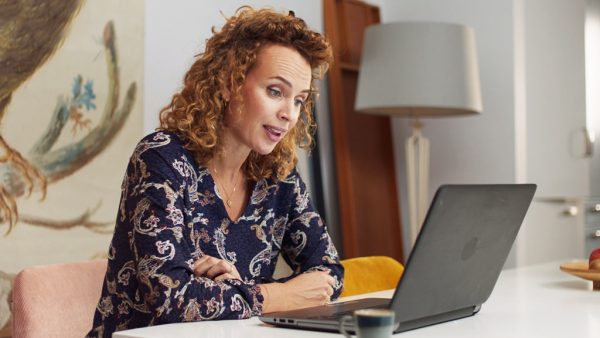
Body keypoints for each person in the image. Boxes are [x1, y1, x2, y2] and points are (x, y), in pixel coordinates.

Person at [87, 6, 343, 337]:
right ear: (228, 84)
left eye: (299, 100)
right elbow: (171, 298)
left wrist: (238, 288)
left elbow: (328, 273)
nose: (289, 114)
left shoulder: (279, 175)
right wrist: (275, 295)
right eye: (276, 91)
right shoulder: (161, 159)